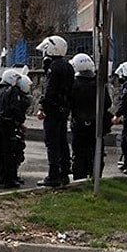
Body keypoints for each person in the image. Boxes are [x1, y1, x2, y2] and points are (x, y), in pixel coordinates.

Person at [35, 35, 74, 187]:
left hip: (53, 110)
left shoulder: (53, 68)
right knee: (62, 141)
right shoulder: (68, 66)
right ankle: (64, 173)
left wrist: (42, 107)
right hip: (64, 109)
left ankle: (53, 175)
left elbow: (50, 90)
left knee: (52, 143)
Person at [68, 53, 112, 179]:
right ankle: (96, 176)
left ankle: (80, 178)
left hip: (79, 124)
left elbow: (69, 103)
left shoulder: (74, 84)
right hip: (97, 124)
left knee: (79, 152)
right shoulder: (98, 84)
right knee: (97, 151)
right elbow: (107, 103)